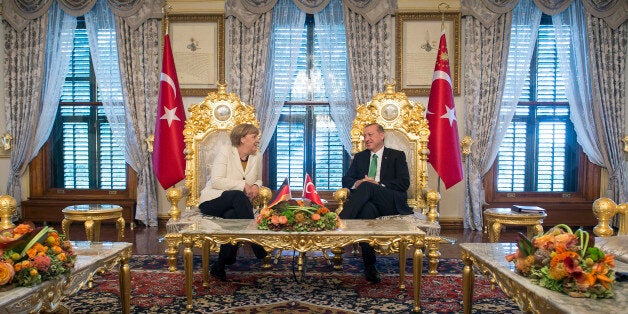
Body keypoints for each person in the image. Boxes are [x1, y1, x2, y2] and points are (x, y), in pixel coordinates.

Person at [340, 123, 412, 284]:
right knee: (366, 211)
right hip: (368, 203)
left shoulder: (396, 155)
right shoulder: (360, 157)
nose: (366, 139)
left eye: (370, 135)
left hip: (390, 201)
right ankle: (370, 267)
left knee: (368, 186)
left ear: (381, 135)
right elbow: (346, 180)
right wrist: (358, 183)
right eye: (365, 136)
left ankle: (339, 221)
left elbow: (403, 183)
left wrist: (378, 185)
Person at [198, 123, 268, 281]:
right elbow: (216, 181)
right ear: (243, 139)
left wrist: (256, 185)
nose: (257, 140)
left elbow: (258, 178)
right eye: (254, 137)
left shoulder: (257, 155)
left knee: (232, 216)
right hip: (213, 201)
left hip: (236, 206)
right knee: (237, 194)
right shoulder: (225, 152)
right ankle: (256, 242)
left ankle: (220, 265)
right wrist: (243, 185)